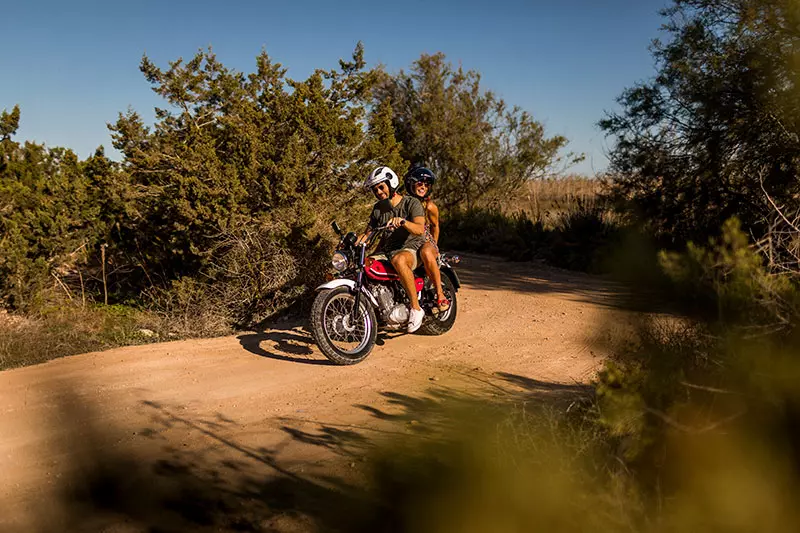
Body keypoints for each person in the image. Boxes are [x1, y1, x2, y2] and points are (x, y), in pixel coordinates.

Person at [359, 166, 427, 333]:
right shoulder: (378, 209)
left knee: (399, 260)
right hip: (387, 251)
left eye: (381, 187)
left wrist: (403, 222)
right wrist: (353, 241)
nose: (379, 192)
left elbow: (420, 229)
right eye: (375, 190)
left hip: (412, 248)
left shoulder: (411, 203)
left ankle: (416, 308)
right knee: (365, 265)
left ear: (391, 183)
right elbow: (368, 234)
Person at [404, 166, 449, 313]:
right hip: (408, 242)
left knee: (426, 252)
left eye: (426, 184)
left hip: (424, 241)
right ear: (411, 184)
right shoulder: (404, 203)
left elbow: (435, 226)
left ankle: (440, 293)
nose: (423, 187)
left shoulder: (429, 207)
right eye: (419, 183)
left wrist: (434, 245)